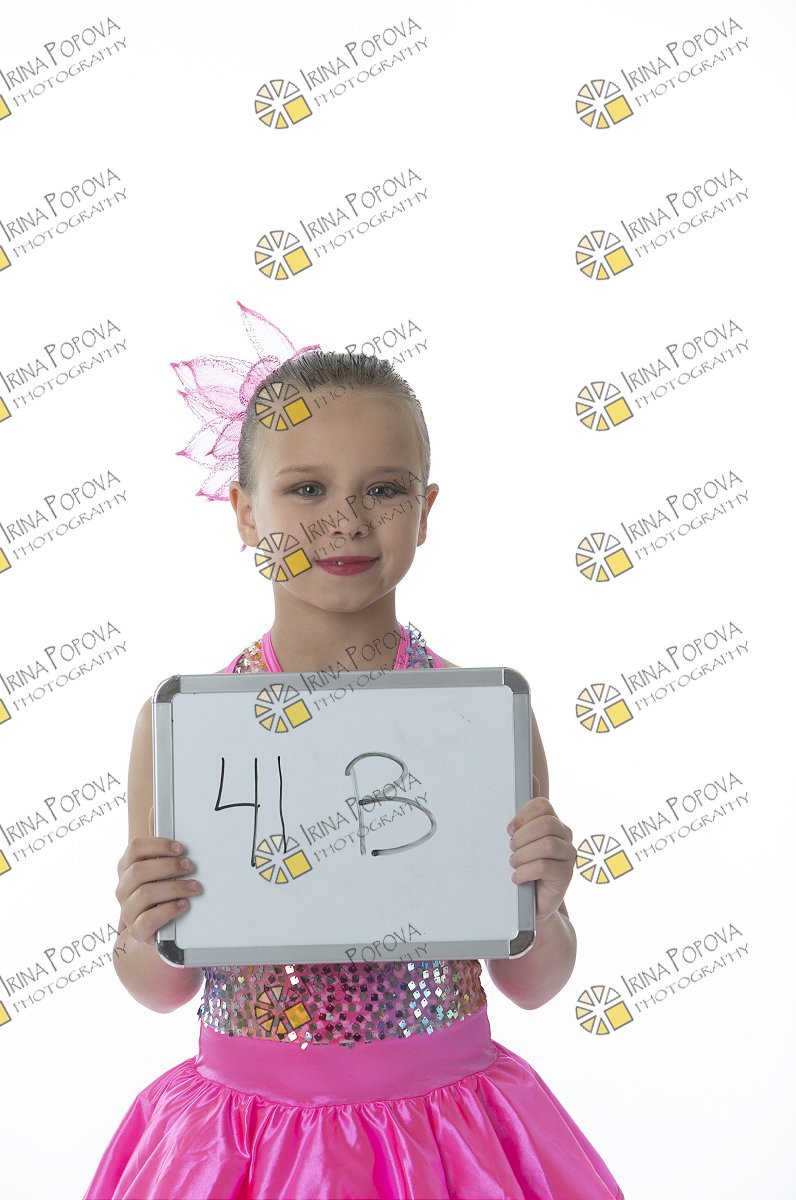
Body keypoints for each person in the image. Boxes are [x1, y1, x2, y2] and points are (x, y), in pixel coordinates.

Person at [82, 306, 625, 1199]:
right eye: (306, 489)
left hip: (444, 1136)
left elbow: (531, 983)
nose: (346, 519)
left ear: (426, 510)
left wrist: (547, 902)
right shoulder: (187, 728)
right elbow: (161, 986)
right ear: (245, 514)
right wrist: (141, 923)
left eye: (383, 490)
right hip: (247, 1141)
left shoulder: (480, 720)